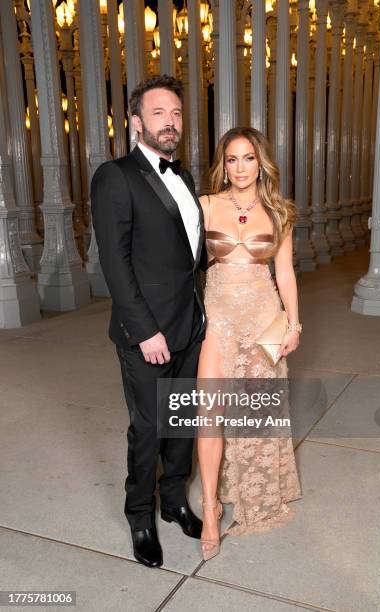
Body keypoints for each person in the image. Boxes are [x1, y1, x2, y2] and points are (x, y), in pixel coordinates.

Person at [91, 75, 206, 569]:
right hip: (147, 332)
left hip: (190, 324)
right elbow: (114, 263)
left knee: (181, 419)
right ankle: (140, 514)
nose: (170, 122)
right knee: (148, 427)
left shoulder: (185, 178)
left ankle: (175, 499)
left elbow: (188, 258)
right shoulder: (114, 176)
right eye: (159, 113)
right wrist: (144, 331)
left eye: (177, 114)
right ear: (136, 122)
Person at [197, 127, 303, 560]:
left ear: (262, 163)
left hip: (263, 321)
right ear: (223, 164)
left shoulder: (279, 212)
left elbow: (285, 273)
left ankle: (256, 488)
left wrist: (293, 325)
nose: (240, 168)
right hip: (218, 321)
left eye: (248, 159)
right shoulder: (204, 206)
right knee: (208, 413)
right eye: (232, 159)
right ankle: (209, 507)